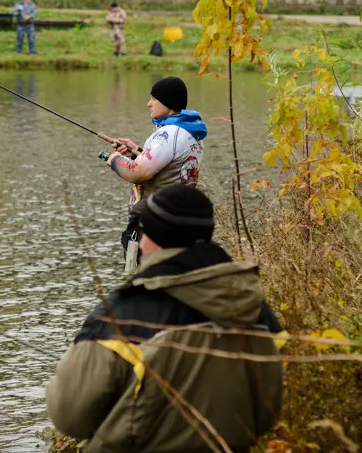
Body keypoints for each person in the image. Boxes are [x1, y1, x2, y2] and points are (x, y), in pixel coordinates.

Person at [46, 185, 284, 453]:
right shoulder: (252, 307)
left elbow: (70, 417)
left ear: (152, 239)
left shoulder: (122, 314)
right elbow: (269, 408)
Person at [106, 76, 206, 267]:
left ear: (168, 103)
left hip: (154, 224)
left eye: (154, 99)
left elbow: (139, 173)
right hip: (178, 220)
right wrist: (137, 152)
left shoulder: (168, 134)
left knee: (145, 283)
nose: (148, 104)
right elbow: (170, 169)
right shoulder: (190, 132)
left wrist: (115, 160)